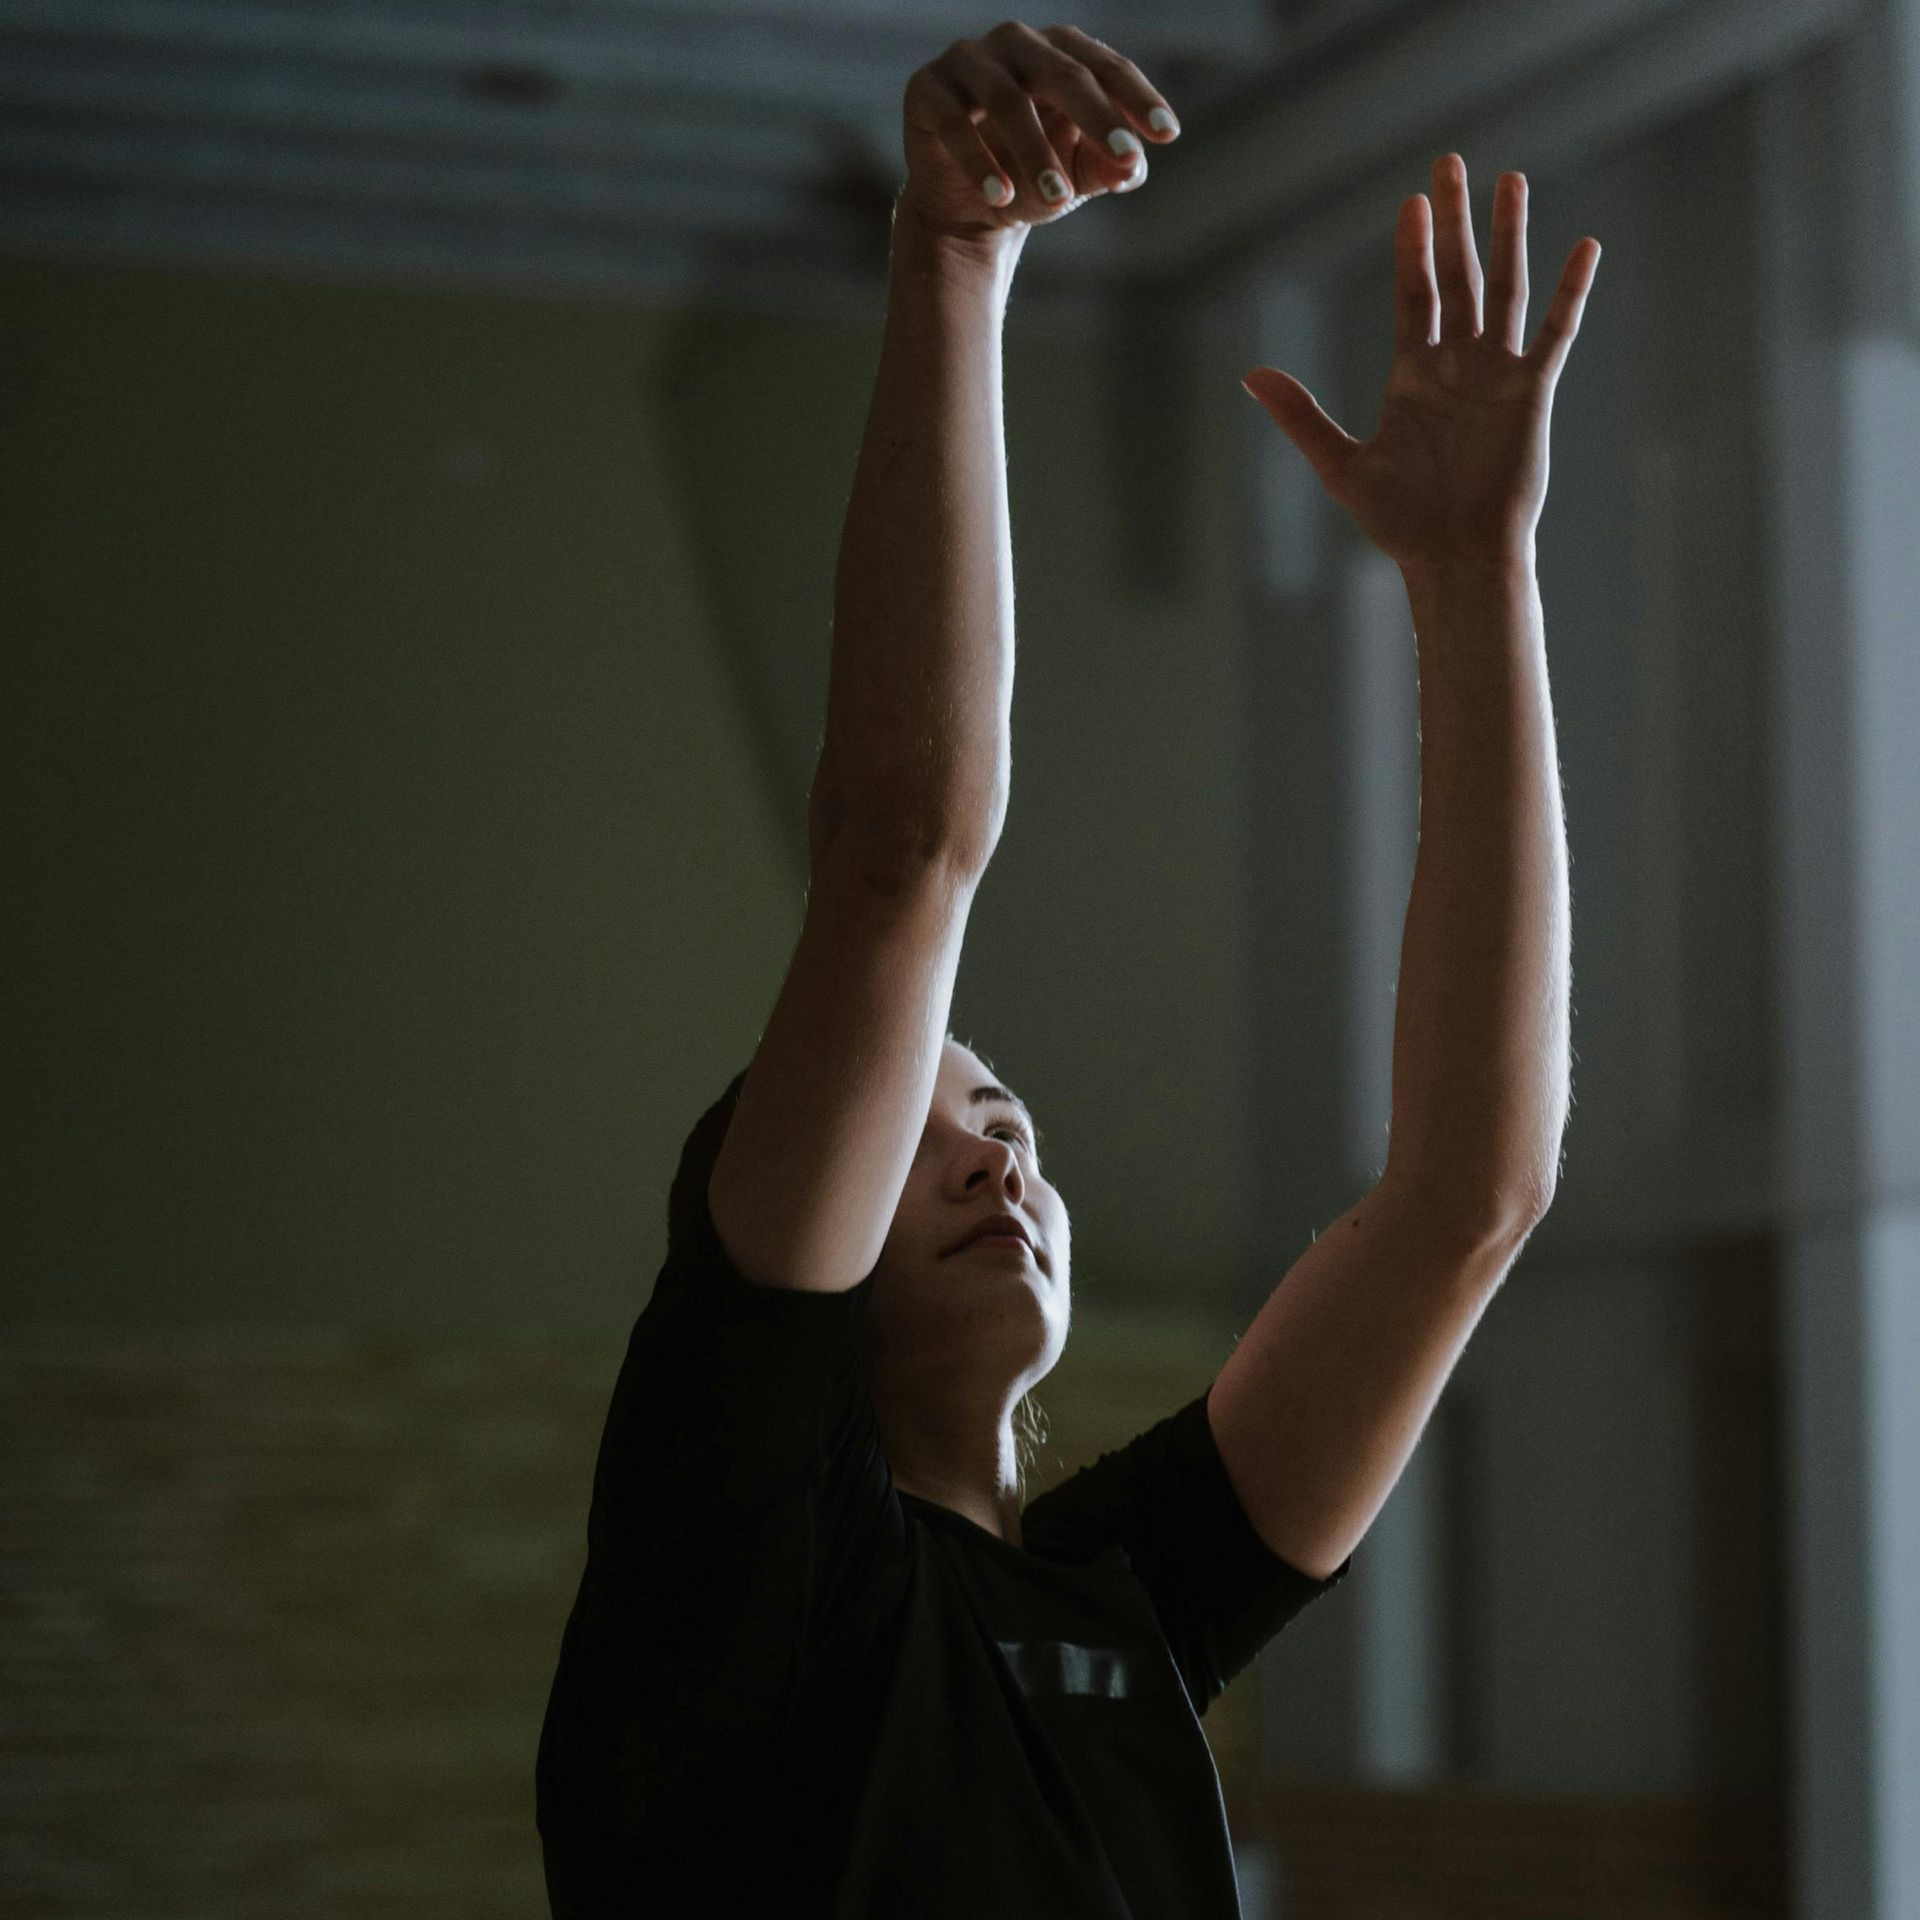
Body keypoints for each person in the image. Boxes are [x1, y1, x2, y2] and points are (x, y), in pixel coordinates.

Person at [536, 19, 1597, 1917]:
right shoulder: (741, 1544)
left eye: (1006, 1110)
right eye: (933, 1126)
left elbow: (1467, 1200)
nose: (997, 1157)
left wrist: (1471, 577)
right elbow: (898, 865)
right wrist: (954, 264)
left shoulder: (1118, 1591)